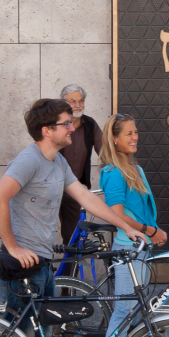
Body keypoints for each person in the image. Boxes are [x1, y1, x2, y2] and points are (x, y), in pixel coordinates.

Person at [0, 98, 144, 337]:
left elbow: (87, 199)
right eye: (66, 123)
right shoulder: (28, 160)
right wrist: (13, 246)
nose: (73, 127)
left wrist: (126, 227)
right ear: (48, 130)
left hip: (42, 265)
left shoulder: (56, 162)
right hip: (21, 268)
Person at [98, 114, 168, 337]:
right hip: (128, 247)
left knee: (135, 304)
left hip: (140, 247)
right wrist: (149, 229)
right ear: (115, 139)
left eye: (136, 132)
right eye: (128, 133)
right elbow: (117, 215)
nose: (134, 137)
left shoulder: (133, 168)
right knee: (124, 310)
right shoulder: (114, 171)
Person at [58, 84, 103, 245]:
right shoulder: (56, 124)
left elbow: (105, 153)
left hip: (75, 190)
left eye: (81, 101)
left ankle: (69, 270)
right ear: (63, 103)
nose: (78, 105)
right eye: (72, 101)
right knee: (42, 234)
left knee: (74, 238)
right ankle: (44, 269)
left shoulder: (90, 124)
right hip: (52, 186)